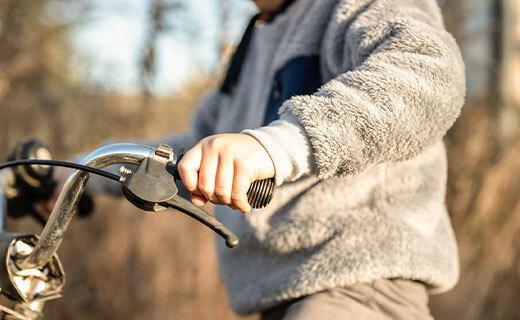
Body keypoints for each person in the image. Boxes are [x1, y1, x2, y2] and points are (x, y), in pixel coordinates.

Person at [53, 0, 465, 318]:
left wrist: (274, 147)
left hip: (358, 288)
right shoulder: (258, 36)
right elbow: (197, 148)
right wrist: (82, 171)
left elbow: (427, 73)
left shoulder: (355, 6)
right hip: (285, 298)